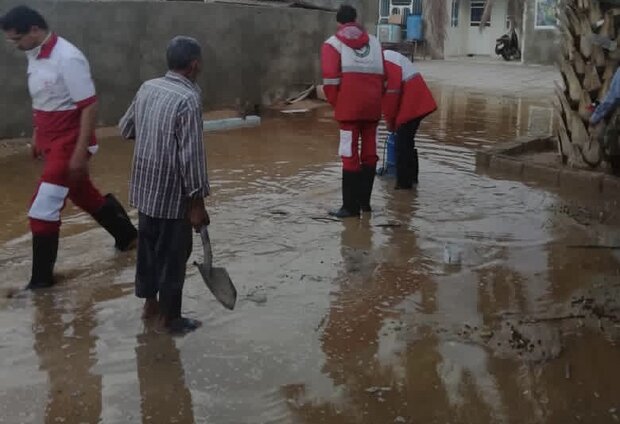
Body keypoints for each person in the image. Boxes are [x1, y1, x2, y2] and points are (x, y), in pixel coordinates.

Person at [0, 6, 137, 290]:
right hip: (51, 139)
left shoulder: (68, 57)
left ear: (35, 30)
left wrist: (79, 152)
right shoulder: (34, 54)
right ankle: (128, 237)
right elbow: (44, 98)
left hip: (71, 141)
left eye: (17, 39)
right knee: (82, 193)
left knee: (42, 209)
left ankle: (41, 284)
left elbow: (89, 106)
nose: (15, 45)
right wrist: (38, 134)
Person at [119, 36, 210, 334]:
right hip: (173, 195)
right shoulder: (189, 98)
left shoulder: (148, 87)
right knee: (174, 256)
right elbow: (191, 156)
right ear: (195, 64)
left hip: (145, 188)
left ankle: (150, 305)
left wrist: (153, 140)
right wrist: (197, 203)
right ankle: (171, 319)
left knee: (147, 249)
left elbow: (126, 128)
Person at [321, 4, 384, 217]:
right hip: (373, 109)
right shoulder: (375, 42)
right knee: (369, 155)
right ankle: (365, 204)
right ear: (356, 20)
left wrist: (339, 105)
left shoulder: (332, 44)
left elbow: (329, 82)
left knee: (349, 155)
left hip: (348, 111)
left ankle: (350, 208)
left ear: (338, 22)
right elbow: (384, 77)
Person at [382, 48, 437, 189]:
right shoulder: (386, 58)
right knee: (407, 141)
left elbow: (391, 95)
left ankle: (403, 186)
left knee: (402, 143)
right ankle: (412, 180)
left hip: (414, 101)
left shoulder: (386, 61)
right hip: (416, 100)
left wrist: (390, 122)